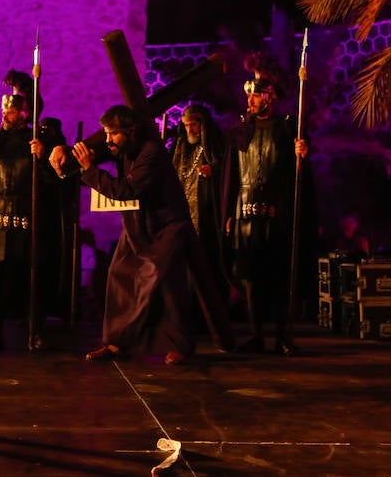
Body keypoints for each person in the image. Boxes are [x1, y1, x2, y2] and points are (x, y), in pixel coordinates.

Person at [46, 104, 196, 365]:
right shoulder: (119, 147)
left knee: (163, 279)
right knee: (119, 276)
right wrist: (61, 150)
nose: (108, 140)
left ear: (130, 131)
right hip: (139, 225)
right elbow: (86, 152)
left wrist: (90, 170)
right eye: (106, 133)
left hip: (167, 226)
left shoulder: (152, 153)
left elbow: (125, 189)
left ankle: (179, 345)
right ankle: (117, 343)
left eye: (113, 134)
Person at [0, 70, 68, 352]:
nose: (5, 116)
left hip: (28, 215)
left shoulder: (38, 139)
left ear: (24, 113)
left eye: (11, 112)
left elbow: (54, 180)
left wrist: (43, 157)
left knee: (32, 274)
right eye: (4, 111)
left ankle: (35, 332)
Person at [224, 52, 315, 355]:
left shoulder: (287, 128)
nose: (250, 101)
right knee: (248, 275)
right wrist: (227, 212)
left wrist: (302, 157)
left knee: (278, 274)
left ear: (270, 97)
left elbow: (296, 174)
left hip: (276, 211)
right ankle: (256, 334)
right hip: (243, 211)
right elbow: (232, 174)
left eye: (256, 96)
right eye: (249, 96)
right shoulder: (240, 131)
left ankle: (282, 336)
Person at [164, 104, 236, 351]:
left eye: (193, 124)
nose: (190, 129)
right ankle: (184, 322)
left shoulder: (216, 146)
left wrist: (212, 172)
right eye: (185, 125)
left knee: (206, 269)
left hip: (205, 219)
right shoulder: (180, 147)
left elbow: (228, 175)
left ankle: (208, 323)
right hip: (182, 217)